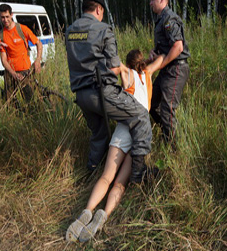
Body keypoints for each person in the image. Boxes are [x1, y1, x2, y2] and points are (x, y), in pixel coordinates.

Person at [66, 50, 164, 243]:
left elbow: (115, 66)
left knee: (106, 176)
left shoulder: (128, 74)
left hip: (124, 128)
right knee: (120, 183)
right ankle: (105, 214)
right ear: (143, 62)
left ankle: (87, 211)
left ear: (129, 62)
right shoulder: (148, 73)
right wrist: (153, 59)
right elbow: (161, 60)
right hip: (141, 133)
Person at [65, 0, 152, 183]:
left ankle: (91, 173)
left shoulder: (70, 30)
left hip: (81, 95)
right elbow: (114, 67)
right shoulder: (103, 29)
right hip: (102, 93)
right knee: (141, 116)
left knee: (99, 133)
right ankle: (138, 173)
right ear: (98, 9)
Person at [149, 0, 190, 145]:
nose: (150, 3)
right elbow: (166, 46)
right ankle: (168, 135)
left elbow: (178, 47)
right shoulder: (160, 20)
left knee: (167, 110)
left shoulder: (169, 19)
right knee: (152, 104)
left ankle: (175, 149)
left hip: (175, 69)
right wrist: (155, 53)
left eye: (153, 0)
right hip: (167, 68)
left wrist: (159, 64)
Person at [0, 3, 43, 102]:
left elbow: (39, 44)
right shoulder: (1, 35)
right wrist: (13, 73)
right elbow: (4, 60)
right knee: (9, 102)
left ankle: (31, 116)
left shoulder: (22, 29)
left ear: (11, 15)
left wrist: (38, 60)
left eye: (7, 17)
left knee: (30, 100)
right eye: (2, 17)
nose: (5, 20)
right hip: (10, 73)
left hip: (25, 71)